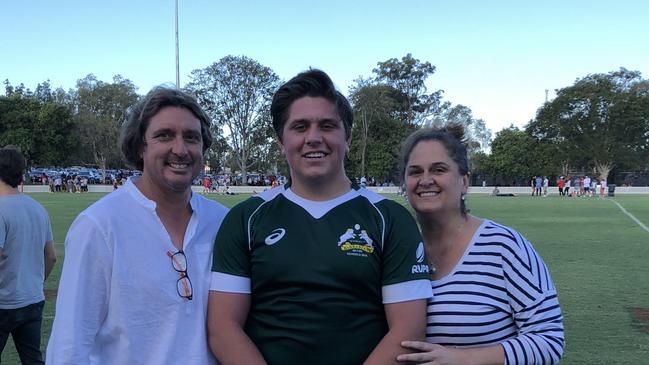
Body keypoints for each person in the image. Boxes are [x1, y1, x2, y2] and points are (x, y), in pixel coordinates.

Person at [208, 70, 432, 364]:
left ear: (347, 137)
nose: (314, 138)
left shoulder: (389, 218)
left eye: (327, 126)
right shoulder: (246, 218)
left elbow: (408, 329)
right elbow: (223, 328)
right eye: (300, 127)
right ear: (280, 141)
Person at [46, 87, 229, 364]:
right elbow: (69, 346)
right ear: (141, 146)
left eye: (191, 137)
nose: (180, 149)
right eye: (164, 135)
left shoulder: (222, 222)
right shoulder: (99, 226)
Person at [396, 125, 564, 364]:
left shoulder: (504, 246)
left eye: (439, 169)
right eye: (415, 172)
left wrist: (462, 358)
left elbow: (549, 340)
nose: (425, 180)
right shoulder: (397, 248)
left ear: (464, 181)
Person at [0, 147, 57, 364]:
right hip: (32, 299)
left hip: (4, 303)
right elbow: (51, 256)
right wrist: (33, 283)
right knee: (33, 359)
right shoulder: (38, 208)